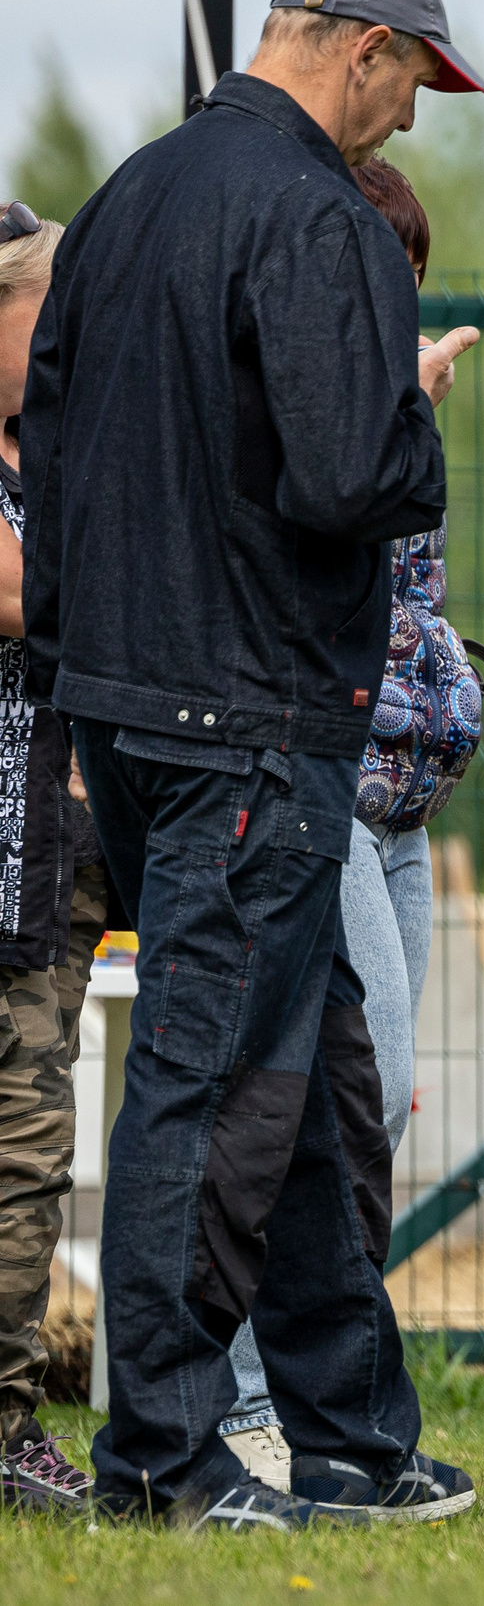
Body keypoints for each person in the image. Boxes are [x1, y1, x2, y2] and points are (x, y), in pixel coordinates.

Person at [17, 0, 484, 1530]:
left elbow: (59, 464)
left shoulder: (127, 200)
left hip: (127, 712)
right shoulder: (317, 217)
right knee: (216, 1089)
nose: (412, 122)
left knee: (306, 1076)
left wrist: (87, 680)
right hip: (255, 716)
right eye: (414, 82)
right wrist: (415, 433)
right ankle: (157, 1456)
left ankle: (348, 1424)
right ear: (360, 48)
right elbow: (354, 476)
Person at [217, 159, 462, 1491]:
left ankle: (325, 1400)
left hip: (404, 810)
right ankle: (255, 1398)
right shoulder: (314, 411)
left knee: (380, 1102)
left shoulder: (383, 412)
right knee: (327, 1094)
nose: (401, 293)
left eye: (412, 269)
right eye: (388, 265)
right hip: (327, 800)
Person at [0, 201, 113, 1515]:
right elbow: (30, 594)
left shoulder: (54, 452)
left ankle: (10, 1420)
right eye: (47, 314)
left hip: (38, 862)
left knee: (26, 1148)